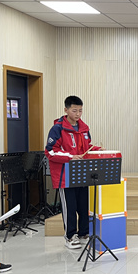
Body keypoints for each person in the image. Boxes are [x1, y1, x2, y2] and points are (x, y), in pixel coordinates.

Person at [45, 95, 100, 250]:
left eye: (80, 110)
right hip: (65, 175)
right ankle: (70, 236)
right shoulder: (57, 129)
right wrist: (70, 157)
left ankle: (83, 233)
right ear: (66, 110)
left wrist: (96, 149)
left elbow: (86, 147)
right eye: (74, 110)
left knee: (83, 206)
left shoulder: (84, 128)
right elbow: (50, 152)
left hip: (82, 173)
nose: (78, 114)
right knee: (70, 208)